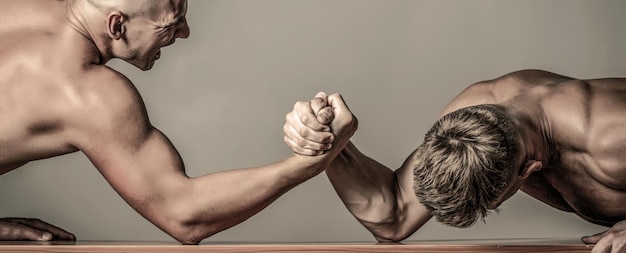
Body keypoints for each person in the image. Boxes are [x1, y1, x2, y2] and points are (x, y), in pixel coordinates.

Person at [0, 0, 358, 244]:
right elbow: (184, 214)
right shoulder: (88, 95)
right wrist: (307, 165)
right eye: (171, 24)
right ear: (117, 25)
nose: (185, 32)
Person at [284, 69, 626, 253]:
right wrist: (329, 143)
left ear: (529, 172)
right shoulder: (470, 119)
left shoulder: (612, 136)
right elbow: (393, 215)